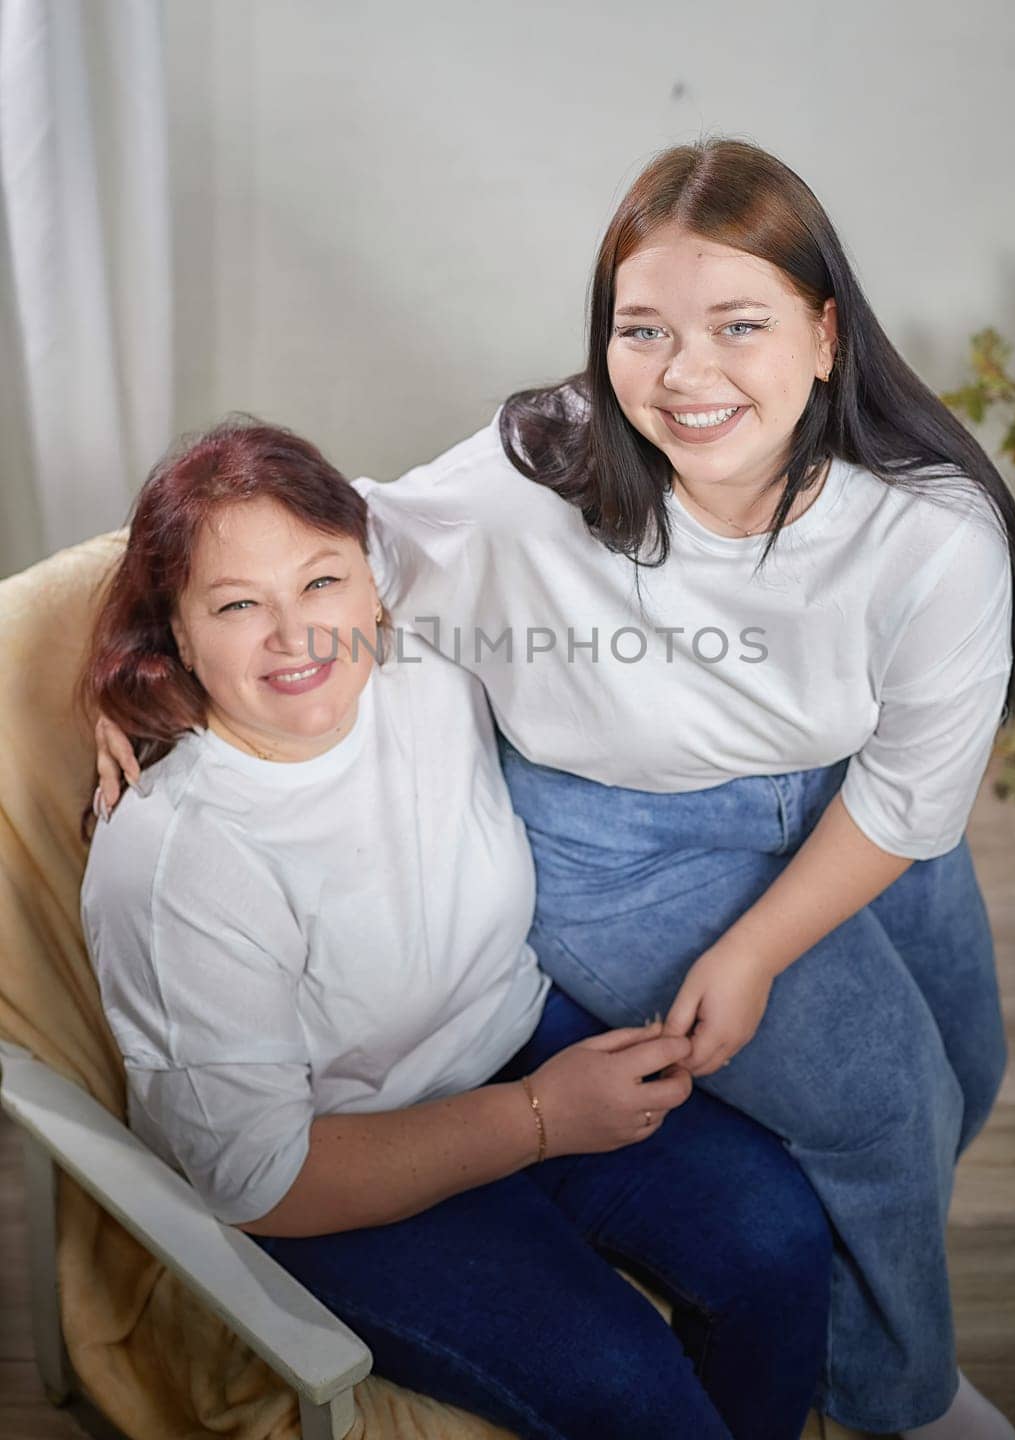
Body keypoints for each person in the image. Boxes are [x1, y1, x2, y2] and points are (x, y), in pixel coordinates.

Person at [94, 139, 1015, 1438]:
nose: (685, 373)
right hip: (628, 846)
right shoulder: (531, 483)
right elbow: (315, 540)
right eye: (639, 330)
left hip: (848, 801)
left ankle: (861, 1332)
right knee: (880, 1110)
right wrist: (127, 665)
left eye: (737, 324)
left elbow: (910, 797)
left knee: (961, 1076)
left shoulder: (926, 527)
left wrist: (761, 947)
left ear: (823, 336)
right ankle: (897, 1402)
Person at [79, 418, 834, 1440]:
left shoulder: (424, 649)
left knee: (780, 1241)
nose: (294, 634)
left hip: (515, 1036)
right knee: (628, 1383)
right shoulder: (181, 861)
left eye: (320, 582)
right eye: (234, 606)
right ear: (172, 630)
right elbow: (258, 1181)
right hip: (338, 1171)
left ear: (372, 576)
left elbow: (549, 453)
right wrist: (535, 1119)